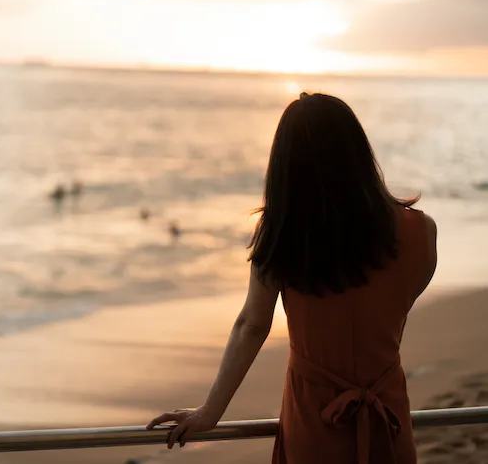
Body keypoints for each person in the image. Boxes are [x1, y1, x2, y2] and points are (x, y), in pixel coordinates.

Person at [147, 93, 437, 464]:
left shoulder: (283, 234)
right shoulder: (422, 231)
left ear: (287, 165)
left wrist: (210, 412)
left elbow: (252, 325)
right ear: (358, 152)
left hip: (314, 420)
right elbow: (401, 305)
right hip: (387, 416)